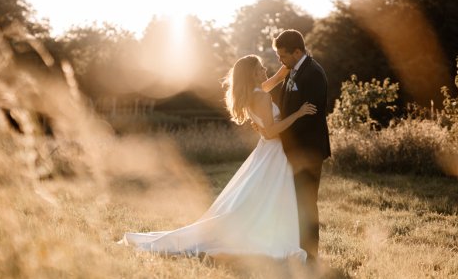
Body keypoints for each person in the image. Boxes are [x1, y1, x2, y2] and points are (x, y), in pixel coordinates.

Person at [120, 55, 316, 261]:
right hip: (273, 149)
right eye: (260, 68)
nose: (265, 69)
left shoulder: (253, 93)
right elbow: (269, 132)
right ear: (252, 74)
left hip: (266, 151)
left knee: (261, 196)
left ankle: (267, 229)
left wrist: (283, 72)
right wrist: (298, 114)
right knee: (268, 195)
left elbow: (270, 84)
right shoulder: (262, 96)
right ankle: (265, 234)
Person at [259, 29, 331, 263]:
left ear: (297, 51)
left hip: (308, 150)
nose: (280, 61)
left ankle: (310, 254)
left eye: (283, 56)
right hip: (293, 149)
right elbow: (283, 102)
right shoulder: (293, 71)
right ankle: (295, 247)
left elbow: (309, 117)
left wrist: (280, 135)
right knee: (295, 201)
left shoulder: (313, 74)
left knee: (307, 201)